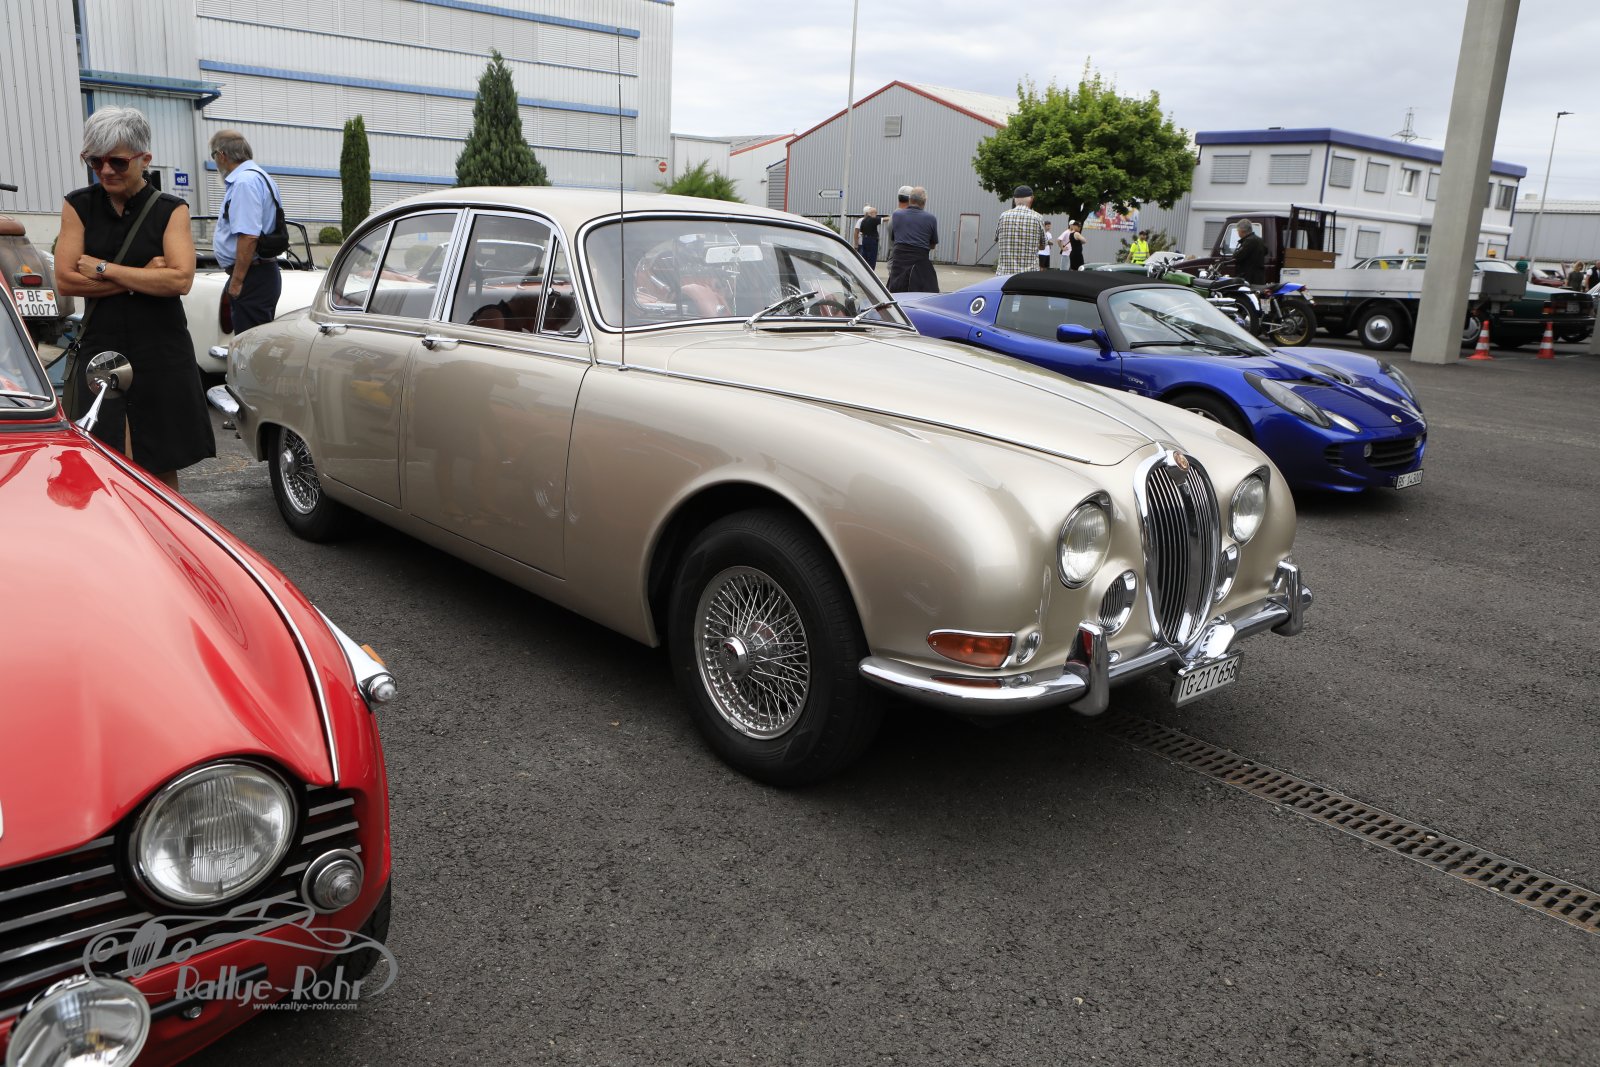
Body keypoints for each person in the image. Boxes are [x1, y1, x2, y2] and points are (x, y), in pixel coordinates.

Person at [54, 107, 214, 491]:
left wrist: (104, 269)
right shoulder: (79, 205)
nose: (105, 170)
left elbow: (179, 279)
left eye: (118, 162)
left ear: (145, 159)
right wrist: (142, 276)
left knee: (160, 460)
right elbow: (66, 279)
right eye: (95, 161)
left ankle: (161, 528)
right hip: (101, 348)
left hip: (161, 348)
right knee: (101, 457)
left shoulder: (170, 209)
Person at [209, 129, 284, 335]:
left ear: (222, 155)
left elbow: (248, 236)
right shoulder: (260, 177)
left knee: (249, 345)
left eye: (214, 156)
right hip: (259, 273)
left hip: (251, 276)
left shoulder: (244, 182)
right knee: (255, 342)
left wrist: (236, 281)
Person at [886, 186, 939, 292]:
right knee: (928, 291)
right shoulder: (931, 219)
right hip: (919, 265)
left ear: (910, 200)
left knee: (896, 293)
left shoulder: (896, 215)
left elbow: (895, 239)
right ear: (924, 201)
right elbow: (932, 245)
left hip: (899, 265)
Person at [993, 185, 1045, 276]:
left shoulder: (1003, 216)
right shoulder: (1038, 217)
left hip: (1004, 275)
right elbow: (1043, 245)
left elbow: (997, 239)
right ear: (1032, 199)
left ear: (1014, 199)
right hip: (1029, 275)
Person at [1231, 219, 1267, 285]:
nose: (1238, 233)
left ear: (1242, 231)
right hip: (1259, 277)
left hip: (1248, 278)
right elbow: (1266, 251)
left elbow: (1237, 257)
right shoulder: (1259, 240)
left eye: (1238, 230)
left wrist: (1235, 254)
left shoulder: (1248, 241)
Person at [854, 205, 881, 270]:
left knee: (864, 261)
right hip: (863, 243)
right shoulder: (862, 220)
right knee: (869, 260)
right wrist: (856, 244)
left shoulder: (863, 220)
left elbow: (859, 232)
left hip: (863, 241)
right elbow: (856, 232)